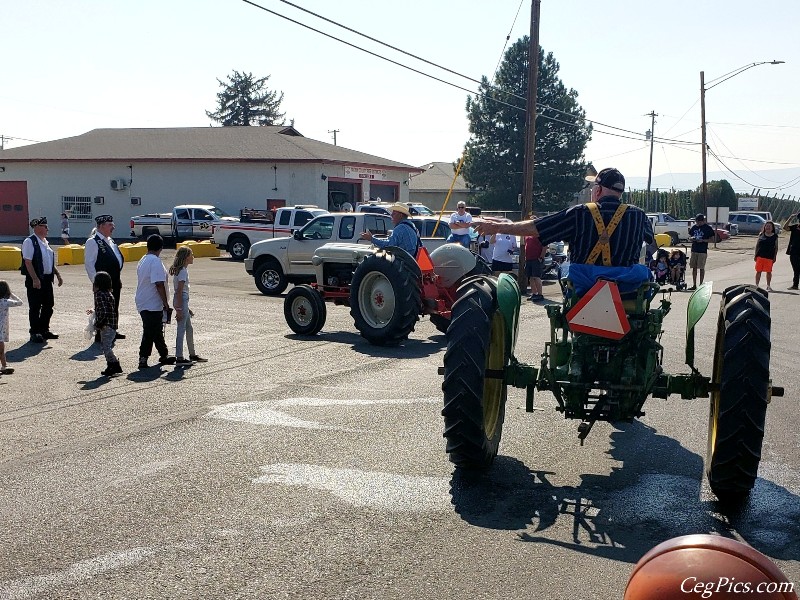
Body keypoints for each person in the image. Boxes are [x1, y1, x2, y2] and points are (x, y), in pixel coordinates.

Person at [476, 168, 654, 280]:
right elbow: (651, 244)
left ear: (598, 190)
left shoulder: (580, 213)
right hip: (626, 287)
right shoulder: (638, 215)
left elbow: (536, 227)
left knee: (565, 267)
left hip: (585, 288)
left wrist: (498, 227)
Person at [134, 234, 175, 369]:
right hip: (152, 302)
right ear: (161, 248)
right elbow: (158, 284)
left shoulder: (143, 260)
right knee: (150, 331)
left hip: (143, 300)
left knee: (156, 330)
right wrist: (165, 302)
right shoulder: (155, 262)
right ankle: (143, 357)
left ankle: (164, 354)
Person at [21, 217, 63, 343]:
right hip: (35, 279)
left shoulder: (45, 242)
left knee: (48, 305)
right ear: (37, 227)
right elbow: (28, 262)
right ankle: (35, 332)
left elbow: (48, 261)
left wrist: (57, 274)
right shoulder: (30, 241)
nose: (47, 229)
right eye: (45, 227)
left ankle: (44, 329)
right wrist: (35, 279)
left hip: (46, 279)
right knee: (35, 306)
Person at [84, 214, 126, 340]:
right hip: (102, 283)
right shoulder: (93, 241)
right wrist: (95, 282)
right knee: (103, 309)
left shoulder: (110, 241)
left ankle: (112, 330)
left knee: (114, 307)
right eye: (110, 225)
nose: (113, 227)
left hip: (114, 281)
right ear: (101, 226)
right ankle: (100, 333)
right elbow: (89, 264)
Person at [169, 246, 208, 365]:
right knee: (181, 329)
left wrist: (186, 308)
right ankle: (179, 357)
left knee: (189, 329)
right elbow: (179, 291)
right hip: (182, 299)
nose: (193, 257)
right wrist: (180, 309)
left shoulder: (181, 270)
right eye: (191, 254)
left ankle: (192, 354)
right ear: (186, 257)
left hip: (183, 300)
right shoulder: (182, 271)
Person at [87, 271, 122, 376]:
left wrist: (98, 324)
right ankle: (110, 365)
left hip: (106, 326)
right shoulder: (109, 294)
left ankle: (114, 364)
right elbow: (105, 308)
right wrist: (94, 311)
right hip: (112, 325)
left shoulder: (99, 295)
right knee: (105, 345)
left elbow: (104, 312)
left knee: (106, 346)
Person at [0, 280, 23, 375]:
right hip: (1, 329)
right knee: (1, 349)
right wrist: (12, 294)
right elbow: (20, 302)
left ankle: (4, 365)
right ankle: (4, 365)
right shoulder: (5, 302)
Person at [687, 214, 715, 290]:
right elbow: (689, 236)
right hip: (694, 249)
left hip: (702, 250)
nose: (698, 223)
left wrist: (703, 240)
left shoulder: (708, 228)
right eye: (697, 222)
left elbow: (712, 239)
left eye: (699, 222)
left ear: (703, 221)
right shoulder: (694, 227)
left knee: (701, 268)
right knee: (694, 267)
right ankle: (694, 285)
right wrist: (691, 239)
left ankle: (701, 284)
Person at [754, 220, 779, 292]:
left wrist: (775, 257)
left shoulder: (775, 236)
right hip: (760, 256)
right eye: (766, 226)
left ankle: (768, 285)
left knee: (768, 271)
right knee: (758, 271)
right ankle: (756, 285)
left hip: (769, 257)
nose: (768, 227)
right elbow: (757, 245)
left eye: (769, 226)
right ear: (764, 227)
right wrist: (755, 255)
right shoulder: (761, 234)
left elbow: (776, 247)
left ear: (772, 228)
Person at [524, 233, 546, 301]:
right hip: (528, 259)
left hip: (536, 259)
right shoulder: (526, 235)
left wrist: (541, 257)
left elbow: (545, 246)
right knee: (530, 277)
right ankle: (534, 293)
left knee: (536, 277)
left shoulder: (540, 234)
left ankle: (540, 294)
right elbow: (525, 244)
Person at [785, 213, 800, 289]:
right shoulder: (795, 227)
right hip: (794, 251)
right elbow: (785, 228)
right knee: (796, 269)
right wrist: (790, 218)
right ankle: (795, 285)